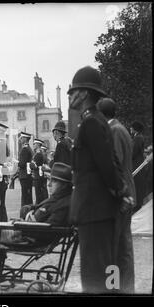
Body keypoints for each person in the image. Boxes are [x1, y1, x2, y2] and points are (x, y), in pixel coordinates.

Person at [68, 66, 133, 293]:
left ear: (84, 93)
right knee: (107, 268)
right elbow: (109, 162)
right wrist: (121, 193)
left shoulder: (91, 123)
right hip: (100, 209)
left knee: (96, 274)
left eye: (73, 91)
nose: (70, 95)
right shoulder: (95, 120)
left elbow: (107, 164)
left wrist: (120, 192)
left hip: (95, 210)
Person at [0, 162, 73, 280]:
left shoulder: (62, 204)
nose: (49, 184)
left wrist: (27, 222)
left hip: (28, 235)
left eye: (53, 181)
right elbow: (36, 210)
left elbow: (49, 229)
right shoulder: (60, 199)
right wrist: (29, 214)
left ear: (63, 184)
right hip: (27, 230)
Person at [97, 97, 136, 293]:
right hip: (125, 195)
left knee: (116, 246)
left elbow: (115, 167)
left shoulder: (113, 131)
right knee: (122, 245)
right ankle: (125, 287)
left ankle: (116, 287)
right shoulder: (120, 129)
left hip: (119, 198)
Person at [130, 120, 145, 213]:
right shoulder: (137, 137)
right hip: (136, 163)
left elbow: (133, 152)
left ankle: (137, 205)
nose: (130, 128)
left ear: (135, 129)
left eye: (132, 127)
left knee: (137, 184)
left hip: (136, 164)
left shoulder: (138, 138)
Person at [17, 132, 33, 209]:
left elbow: (22, 164)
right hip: (27, 175)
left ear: (25, 139)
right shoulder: (28, 148)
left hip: (24, 175)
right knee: (28, 195)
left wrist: (17, 162)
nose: (20, 139)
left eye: (22, 138)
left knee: (25, 197)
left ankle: (25, 212)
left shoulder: (25, 149)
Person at [30, 138, 48, 204]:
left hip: (37, 175)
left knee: (38, 194)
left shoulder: (38, 154)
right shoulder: (40, 153)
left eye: (34, 144)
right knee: (40, 193)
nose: (33, 145)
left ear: (37, 144)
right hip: (39, 174)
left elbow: (34, 165)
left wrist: (31, 164)